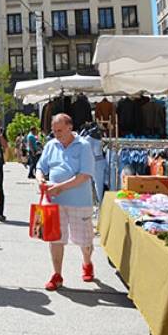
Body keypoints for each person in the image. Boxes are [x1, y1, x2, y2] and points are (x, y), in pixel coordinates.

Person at [36, 113, 96, 291]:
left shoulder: (84, 146)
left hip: (79, 201)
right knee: (55, 238)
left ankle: (87, 262)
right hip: (54, 201)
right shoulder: (51, 145)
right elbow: (40, 167)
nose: (56, 134)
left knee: (84, 240)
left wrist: (60, 187)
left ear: (70, 127)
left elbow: (84, 176)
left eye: (59, 130)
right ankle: (57, 274)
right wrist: (40, 179)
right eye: (54, 131)